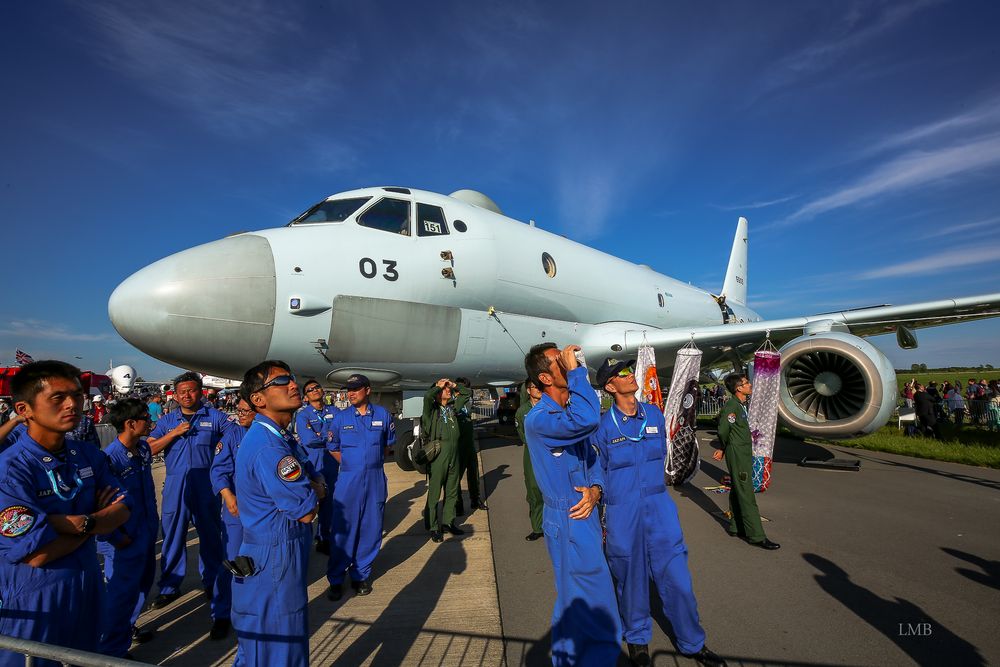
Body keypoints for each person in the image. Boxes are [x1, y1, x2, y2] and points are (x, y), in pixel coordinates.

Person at [593, 358, 725, 667]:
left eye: (628, 370)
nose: (629, 375)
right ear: (610, 386)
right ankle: (638, 640)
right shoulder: (601, 427)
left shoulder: (653, 414)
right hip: (622, 510)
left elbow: (663, 455)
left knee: (677, 577)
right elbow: (596, 472)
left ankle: (693, 643)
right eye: (622, 374)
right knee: (630, 578)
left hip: (659, 506)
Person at [0, 361, 131, 666]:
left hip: (85, 586)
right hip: (35, 597)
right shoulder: (11, 470)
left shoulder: (86, 454)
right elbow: (36, 556)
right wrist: (94, 521)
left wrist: (72, 523)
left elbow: (123, 509)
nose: (73, 404)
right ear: (25, 409)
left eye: (76, 395)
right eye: (58, 398)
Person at [523, 342, 622, 665]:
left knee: (579, 598)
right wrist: (578, 372)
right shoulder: (540, 420)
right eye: (559, 362)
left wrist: (595, 489)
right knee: (593, 599)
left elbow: (590, 455)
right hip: (566, 516)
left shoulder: (566, 414)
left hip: (584, 510)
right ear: (545, 378)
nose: (568, 363)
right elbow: (589, 420)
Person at [230, 360, 320, 667]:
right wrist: (315, 490)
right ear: (258, 399)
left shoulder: (279, 437)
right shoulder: (270, 447)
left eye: (292, 379)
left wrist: (311, 487)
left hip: (274, 551)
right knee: (281, 648)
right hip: (274, 555)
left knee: (265, 647)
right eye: (282, 382)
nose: (293, 385)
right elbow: (306, 510)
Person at [146, 371, 236, 639]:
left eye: (192, 390)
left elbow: (234, 436)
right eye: (182, 391)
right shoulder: (167, 420)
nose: (187, 395)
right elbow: (149, 448)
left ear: (201, 392)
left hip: (206, 485)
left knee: (210, 537)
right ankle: (170, 586)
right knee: (172, 534)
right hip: (175, 485)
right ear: (175, 394)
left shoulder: (216, 417)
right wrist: (173, 433)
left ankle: (211, 582)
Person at [97, 398, 159, 658]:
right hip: (121, 541)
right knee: (120, 595)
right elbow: (101, 506)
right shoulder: (110, 459)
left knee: (142, 585)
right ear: (130, 424)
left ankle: (127, 628)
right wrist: (116, 537)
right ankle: (111, 649)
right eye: (146, 417)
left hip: (144, 532)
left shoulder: (143, 449)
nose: (151, 421)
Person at [325, 374, 395, 599]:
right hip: (348, 481)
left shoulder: (383, 415)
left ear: (367, 390)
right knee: (343, 530)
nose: (350, 393)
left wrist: (370, 464)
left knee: (371, 529)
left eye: (355, 389)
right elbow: (333, 447)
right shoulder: (340, 418)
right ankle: (336, 578)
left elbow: (386, 447)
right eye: (348, 390)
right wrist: (350, 465)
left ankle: (360, 575)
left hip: (375, 479)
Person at [712, 373, 779, 550]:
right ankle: (756, 535)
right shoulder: (732, 407)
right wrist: (725, 447)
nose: (749, 385)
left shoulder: (740, 406)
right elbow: (723, 430)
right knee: (746, 492)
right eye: (746, 383)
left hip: (742, 451)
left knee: (738, 487)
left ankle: (736, 526)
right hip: (738, 453)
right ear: (738, 388)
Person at [209, 397, 254, 630]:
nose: (242, 414)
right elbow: (218, 471)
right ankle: (222, 613)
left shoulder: (271, 434)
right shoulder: (232, 436)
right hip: (236, 512)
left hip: (263, 513)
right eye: (239, 410)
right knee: (231, 561)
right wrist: (228, 496)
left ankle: (253, 610)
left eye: (247, 411)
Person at [422, 378, 470, 542]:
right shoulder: (431, 411)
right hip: (439, 454)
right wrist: (437, 386)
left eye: (448, 388)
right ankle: (434, 526)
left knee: (452, 491)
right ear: (437, 393)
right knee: (435, 492)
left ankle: (448, 522)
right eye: (445, 389)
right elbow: (427, 398)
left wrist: (454, 385)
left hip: (454, 454)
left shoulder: (452, 409)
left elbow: (467, 393)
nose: (448, 391)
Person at [296, 379, 339, 554]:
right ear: (305, 397)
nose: (315, 390)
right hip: (314, 464)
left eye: (317, 387)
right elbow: (309, 440)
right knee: (312, 501)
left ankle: (324, 537)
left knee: (329, 501)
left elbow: (340, 433)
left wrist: (322, 436)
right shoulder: (303, 415)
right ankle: (309, 539)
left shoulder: (334, 411)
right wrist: (328, 437)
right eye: (310, 390)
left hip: (331, 463)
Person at [514, 378, 544, 541]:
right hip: (532, 453)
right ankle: (537, 527)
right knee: (534, 491)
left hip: (551, 453)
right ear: (528, 390)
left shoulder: (549, 406)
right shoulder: (522, 411)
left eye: (539, 387)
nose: (538, 389)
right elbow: (523, 437)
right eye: (534, 387)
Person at [454, 377, 487, 515]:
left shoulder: (467, 399)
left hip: (469, 444)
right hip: (458, 445)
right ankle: (457, 504)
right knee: (456, 477)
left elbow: (467, 394)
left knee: (473, 474)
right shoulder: (452, 402)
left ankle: (475, 499)